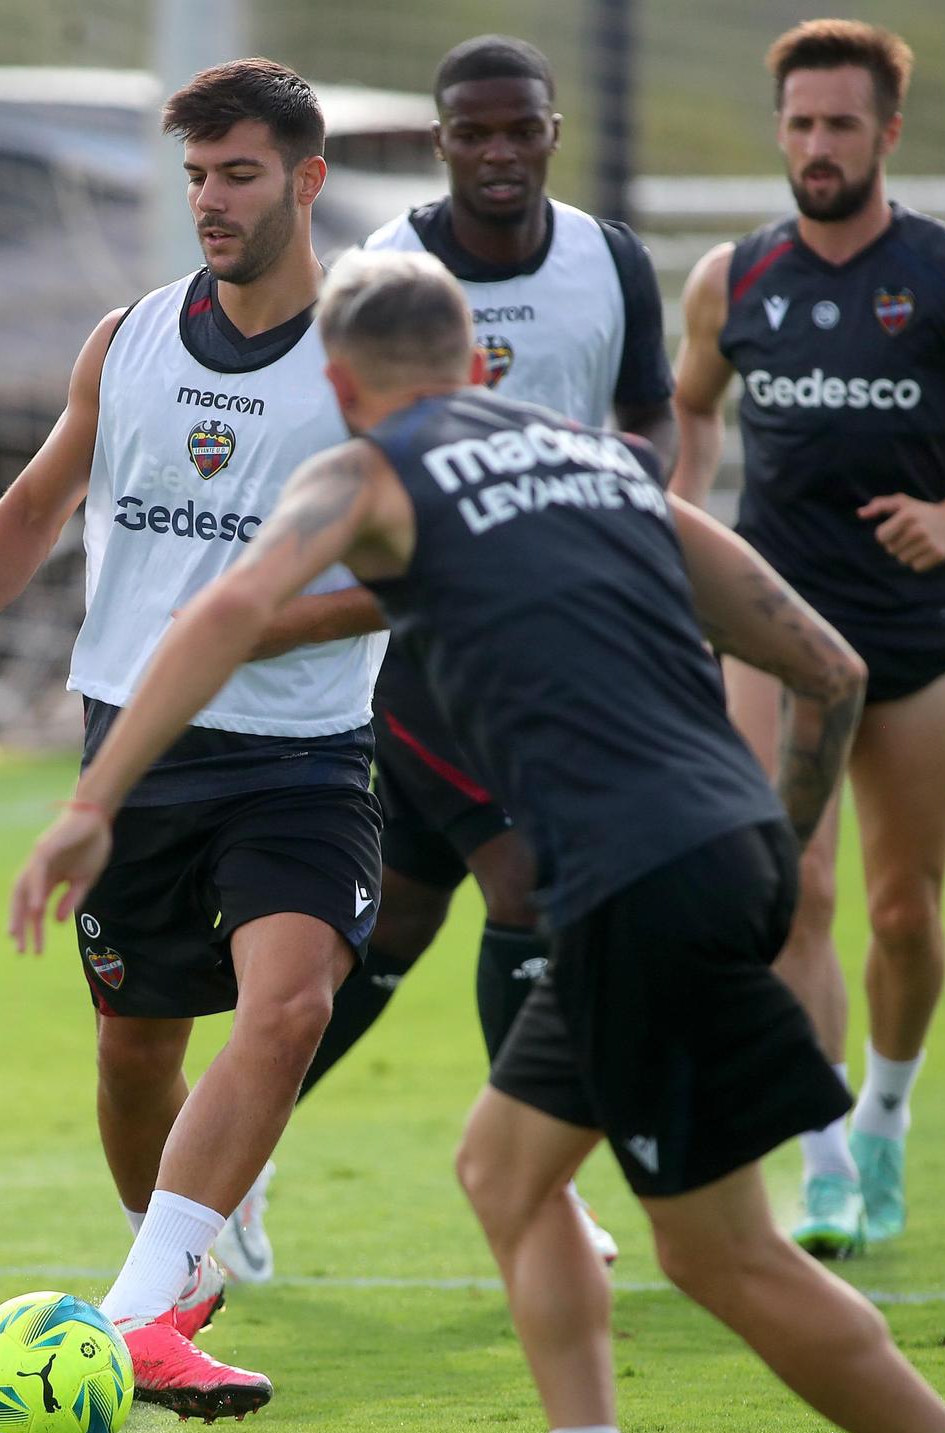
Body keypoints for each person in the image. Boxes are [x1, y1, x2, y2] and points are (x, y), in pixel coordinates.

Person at [12, 250, 945, 1433]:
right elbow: (827, 664)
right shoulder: (609, 468)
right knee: (506, 1173)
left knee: (729, 1260)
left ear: (342, 380)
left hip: (632, 875)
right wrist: (775, 842)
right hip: (715, 856)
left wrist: (93, 802)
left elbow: (226, 610)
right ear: (476, 361)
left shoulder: (368, 469)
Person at [0, 60, 384, 1421]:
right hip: (132, 747)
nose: (210, 200)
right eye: (194, 175)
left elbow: (423, 560)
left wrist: (277, 625)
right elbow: (33, 506)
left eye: (238, 174)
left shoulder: (364, 362)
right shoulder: (127, 336)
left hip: (302, 750)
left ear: (305, 182)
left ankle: (142, 1306)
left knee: (291, 1002)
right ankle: (192, 1251)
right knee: (136, 1050)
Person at [212, 33, 678, 1284]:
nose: (495, 152)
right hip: (424, 642)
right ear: (439, 142)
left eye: (516, 128)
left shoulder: (608, 260)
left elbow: (650, 407)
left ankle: (239, 1151)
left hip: (560, 644)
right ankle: (545, 1193)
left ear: (549, 133)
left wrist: (634, 487)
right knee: (524, 878)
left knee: (404, 920)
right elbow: (331, 450)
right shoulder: (385, 273)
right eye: (470, 132)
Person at [670, 19, 945, 1256]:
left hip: (915, 637)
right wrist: (686, 534)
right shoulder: (731, 278)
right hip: (773, 629)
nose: (814, 145)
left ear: (885, 133)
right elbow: (690, 414)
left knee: (901, 910)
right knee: (789, 891)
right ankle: (821, 1163)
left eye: (838, 124)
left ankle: (886, 1122)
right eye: (796, 123)